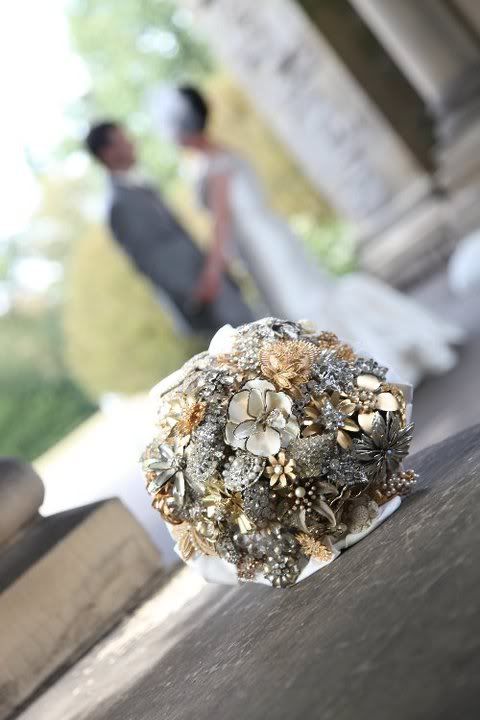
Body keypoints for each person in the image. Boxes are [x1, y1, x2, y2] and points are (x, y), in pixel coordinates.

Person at [150, 85, 463, 385]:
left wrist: (212, 274)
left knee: (303, 308)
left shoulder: (214, 165)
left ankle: (369, 369)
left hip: (264, 248)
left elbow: (222, 223)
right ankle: (353, 374)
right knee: (307, 303)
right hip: (267, 240)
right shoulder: (221, 154)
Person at [84, 121, 254, 337]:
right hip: (204, 295)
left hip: (213, 281)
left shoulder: (138, 186)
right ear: (108, 153)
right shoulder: (119, 204)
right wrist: (201, 289)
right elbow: (151, 260)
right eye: (123, 139)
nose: (132, 142)